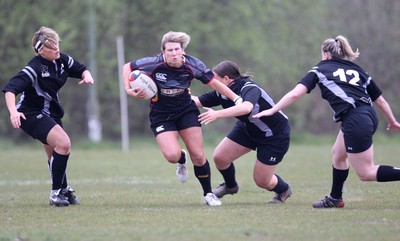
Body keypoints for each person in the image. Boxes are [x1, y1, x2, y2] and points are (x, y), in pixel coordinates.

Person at [253, 35, 400, 208]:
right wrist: (392, 121)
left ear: (326, 54)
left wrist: (272, 109)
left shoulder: (320, 69)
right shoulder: (357, 69)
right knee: (338, 155)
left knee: (366, 172)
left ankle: (335, 198)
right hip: (367, 115)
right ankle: (335, 198)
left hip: (355, 119)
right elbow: (380, 101)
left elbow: (294, 94)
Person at [123, 31, 242, 206]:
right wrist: (128, 88)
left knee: (199, 155)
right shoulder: (153, 63)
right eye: (169, 50)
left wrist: (236, 99)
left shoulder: (193, 65)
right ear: (163, 52)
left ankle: (208, 194)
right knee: (172, 155)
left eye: (176, 49)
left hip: (186, 110)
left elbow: (214, 83)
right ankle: (181, 160)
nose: (173, 53)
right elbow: (128, 66)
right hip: (161, 115)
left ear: (182, 51)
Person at [3, 26, 94, 207]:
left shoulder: (62, 60)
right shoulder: (34, 67)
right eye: (51, 47)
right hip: (30, 113)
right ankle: (56, 193)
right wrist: (13, 111)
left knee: (56, 152)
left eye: (57, 44)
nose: (57, 49)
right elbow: (10, 88)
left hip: (50, 113)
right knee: (64, 143)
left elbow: (80, 68)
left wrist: (87, 75)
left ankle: (64, 189)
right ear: (40, 50)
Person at [192, 60, 292, 204]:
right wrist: (172, 93)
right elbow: (196, 101)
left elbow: (246, 107)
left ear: (226, 79)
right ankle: (230, 186)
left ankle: (283, 189)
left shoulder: (249, 87)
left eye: (215, 79)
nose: (212, 82)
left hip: (274, 135)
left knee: (262, 180)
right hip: (248, 128)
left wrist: (217, 114)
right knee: (220, 157)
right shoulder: (222, 92)